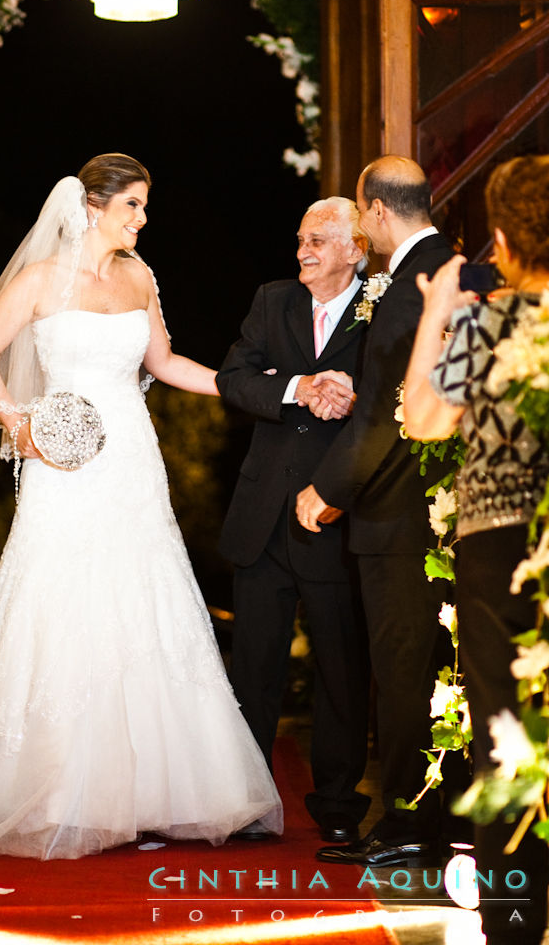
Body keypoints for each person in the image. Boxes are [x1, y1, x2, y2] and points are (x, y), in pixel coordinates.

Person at [0, 153, 283, 860]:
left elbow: (166, 364)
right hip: (65, 463)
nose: (143, 220)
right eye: (133, 206)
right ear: (93, 207)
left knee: (147, 602)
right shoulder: (41, 279)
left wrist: (249, 388)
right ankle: (57, 790)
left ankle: (160, 794)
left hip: (133, 463)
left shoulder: (140, 277)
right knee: (61, 601)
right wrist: (22, 428)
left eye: (145, 207)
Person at [402, 154, 549, 945]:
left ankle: (517, 930)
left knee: (508, 743)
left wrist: (439, 311)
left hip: (499, 543)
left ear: (499, 238)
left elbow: (422, 418)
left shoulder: (487, 323)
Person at [296, 154, 456, 866]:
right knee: (438, 667)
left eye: (361, 212)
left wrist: (327, 490)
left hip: (400, 514)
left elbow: (390, 414)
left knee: (403, 672)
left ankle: (407, 828)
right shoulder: (450, 264)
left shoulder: (407, 287)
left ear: (379, 212)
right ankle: (445, 815)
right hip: (444, 510)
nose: (363, 224)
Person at [216, 197, 370, 846]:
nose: (302, 251)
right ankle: (249, 801)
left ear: (354, 251)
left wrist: (353, 397)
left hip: (336, 512)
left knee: (341, 666)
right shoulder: (272, 299)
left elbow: (394, 403)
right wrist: (296, 388)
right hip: (262, 514)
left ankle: (336, 802)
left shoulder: (381, 311)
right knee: (254, 667)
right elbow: (233, 378)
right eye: (300, 239)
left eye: (317, 241)